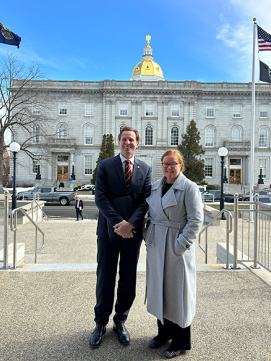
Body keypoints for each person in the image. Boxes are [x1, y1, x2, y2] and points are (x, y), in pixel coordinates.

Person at [90, 126, 152, 349]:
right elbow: (100, 198)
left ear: (138, 143)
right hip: (108, 232)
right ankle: (100, 323)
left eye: (132, 140)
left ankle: (120, 320)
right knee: (105, 277)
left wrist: (130, 224)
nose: (128, 143)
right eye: (125, 139)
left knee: (128, 279)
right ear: (119, 142)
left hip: (132, 233)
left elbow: (145, 201)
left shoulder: (145, 168)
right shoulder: (106, 165)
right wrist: (120, 224)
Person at [144, 149, 203, 359]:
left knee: (179, 293)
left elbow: (196, 221)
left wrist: (180, 245)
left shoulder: (189, 188)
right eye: (165, 164)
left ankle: (180, 341)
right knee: (161, 289)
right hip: (157, 244)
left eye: (173, 164)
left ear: (180, 166)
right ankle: (163, 333)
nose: (169, 167)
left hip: (176, 246)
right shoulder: (156, 186)